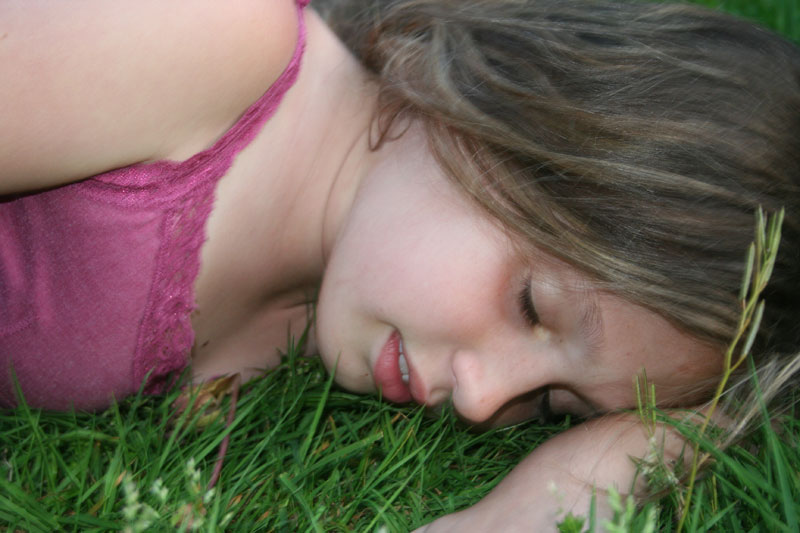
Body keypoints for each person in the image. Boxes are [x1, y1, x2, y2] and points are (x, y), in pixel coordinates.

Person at [1, 0, 798, 529]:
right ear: (497, 109)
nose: (482, 399)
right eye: (531, 305)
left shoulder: (301, 318)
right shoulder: (206, 43)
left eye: (556, 403)